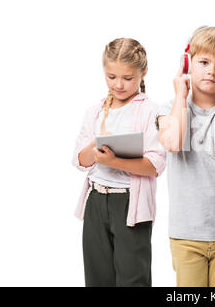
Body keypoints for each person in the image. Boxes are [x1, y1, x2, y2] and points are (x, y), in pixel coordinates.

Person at [156, 26, 215, 287]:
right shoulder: (169, 109)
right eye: (204, 62)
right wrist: (180, 95)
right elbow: (173, 143)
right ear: (188, 64)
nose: (211, 70)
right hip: (187, 234)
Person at [72, 38, 166, 287]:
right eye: (111, 77)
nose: (119, 85)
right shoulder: (95, 111)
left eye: (127, 77)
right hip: (96, 201)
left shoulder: (151, 111)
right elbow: (80, 159)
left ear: (143, 72)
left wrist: (115, 161)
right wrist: (97, 146)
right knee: (97, 277)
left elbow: (156, 165)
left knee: (133, 277)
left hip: (128, 204)